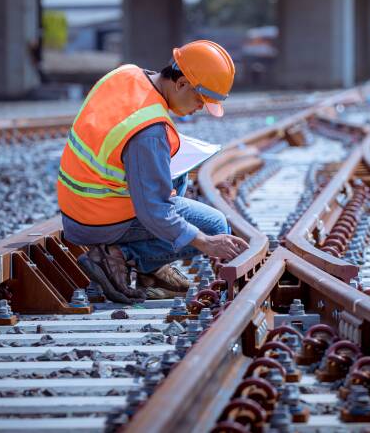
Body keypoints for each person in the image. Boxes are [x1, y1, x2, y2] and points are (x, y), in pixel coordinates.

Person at [57, 40, 249, 303]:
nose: (201, 107)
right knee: (215, 225)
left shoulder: (126, 73)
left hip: (77, 203)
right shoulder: (149, 131)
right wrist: (204, 241)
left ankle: (149, 268)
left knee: (176, 172)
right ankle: (119, 257)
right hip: (98, 217)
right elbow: (154, 211)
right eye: (200, 99)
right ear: (181, 83)